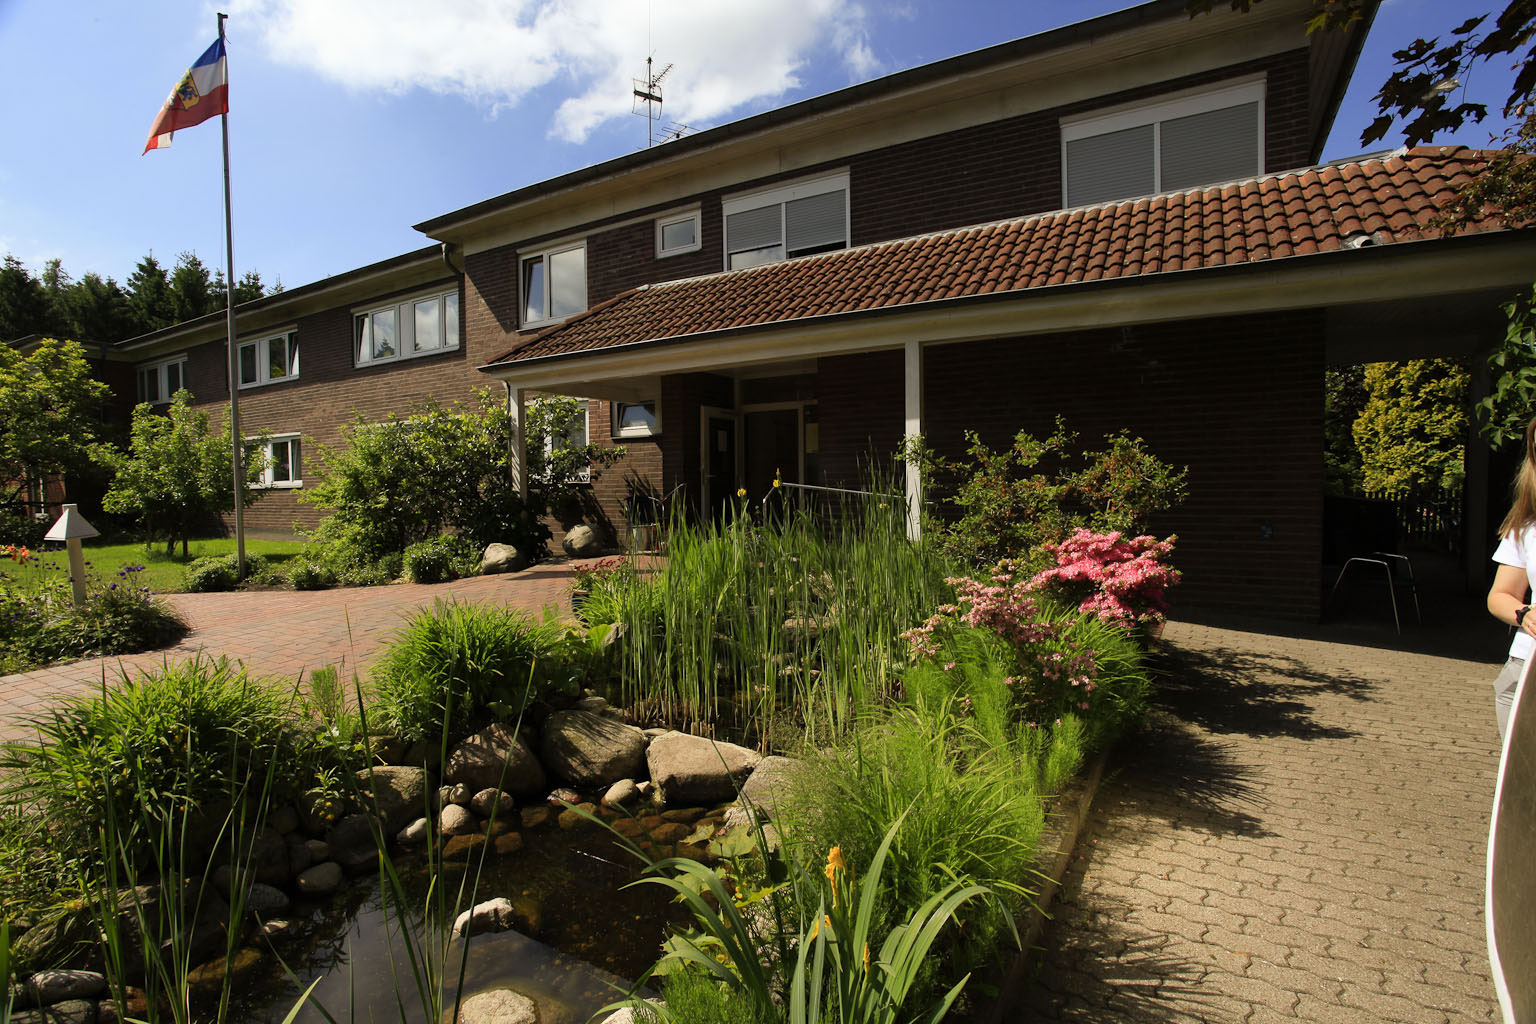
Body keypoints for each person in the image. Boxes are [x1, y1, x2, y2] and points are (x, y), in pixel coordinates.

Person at [1487, 414, 1536, 742]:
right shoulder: (1526, 527)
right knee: (1521, 790)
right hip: (1526, 667)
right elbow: (1500, 595)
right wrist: (1524, 614)